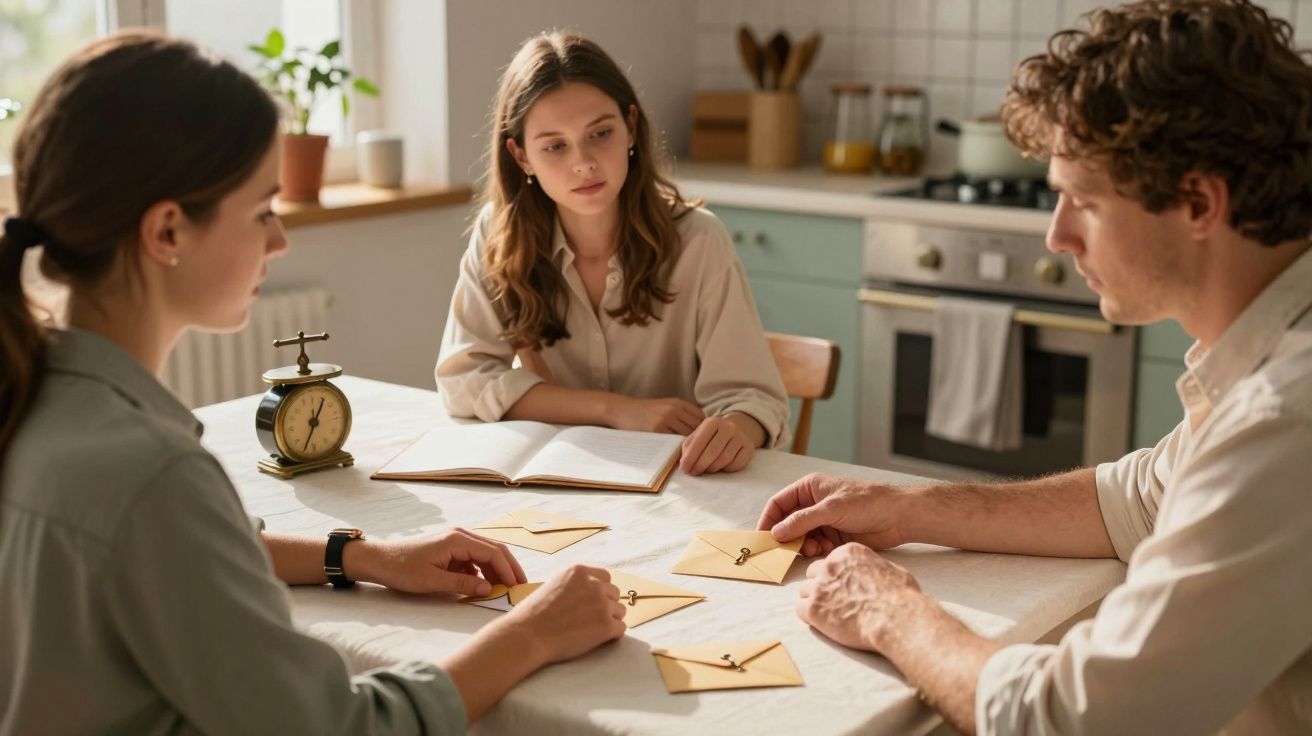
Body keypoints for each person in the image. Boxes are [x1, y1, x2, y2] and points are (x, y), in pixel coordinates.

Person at [0, 32, 626, 735]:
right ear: (168, 232)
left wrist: (362, 556)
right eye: (264, 210)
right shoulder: (151, 474)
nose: (280, 241)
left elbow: (187, 557)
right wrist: (532, 634)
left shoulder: (36, 402)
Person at [757, 1, 1312, 733]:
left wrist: (888, 610)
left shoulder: (1287, 415)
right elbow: (1138, 499)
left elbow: (1077, 720)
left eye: (1082, 201)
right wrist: (904, 507)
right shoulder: (1269, 354)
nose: (1057, 237)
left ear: (1198, 201)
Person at [436, 31, 790, 476]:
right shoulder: (498, 234)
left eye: (600, 133)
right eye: (554, 146)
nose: (583, 162)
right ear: (521, 156)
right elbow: (464, 380)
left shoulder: (699, 241)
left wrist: (739, 427)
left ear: (630, 127)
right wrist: (614, 409)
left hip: (682, 483)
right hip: (557, 489)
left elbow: (755, 401)